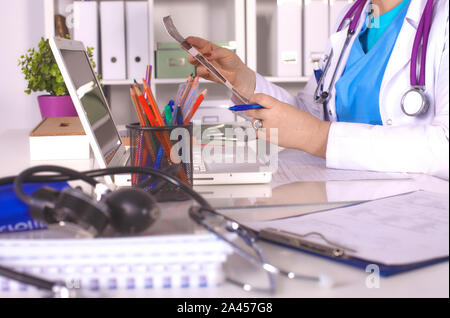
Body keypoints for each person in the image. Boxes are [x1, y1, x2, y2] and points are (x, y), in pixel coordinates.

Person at [186, 0, 449, 179]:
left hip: (417, 215)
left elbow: (444, 148)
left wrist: (319, 138)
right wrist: (243, 81)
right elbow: (311, 114)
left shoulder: (442, 17)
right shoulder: (352, 18)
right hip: (346, 200)